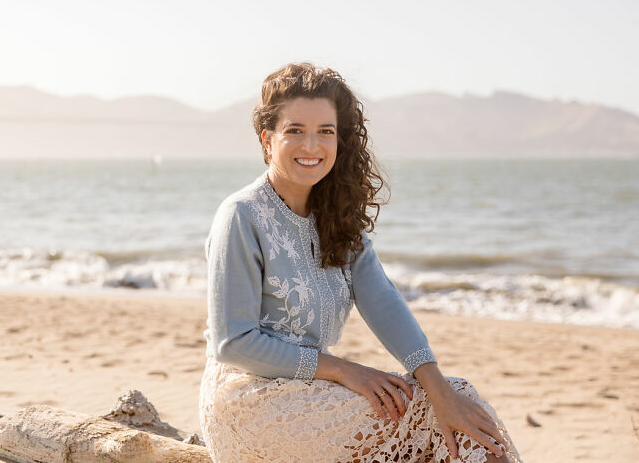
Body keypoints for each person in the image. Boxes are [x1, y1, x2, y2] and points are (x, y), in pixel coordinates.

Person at [199, 63, 521, 462]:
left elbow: (383, 302)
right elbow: (234, 343)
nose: (311, 146)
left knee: (458, 400)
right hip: (247, 399)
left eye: (325, 132)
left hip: (314, 390)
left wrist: (440, 390)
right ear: (267, 140)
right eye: (295, 131)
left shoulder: (336, 217)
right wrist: (345, 370)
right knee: (424, 420)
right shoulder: (241, 215)